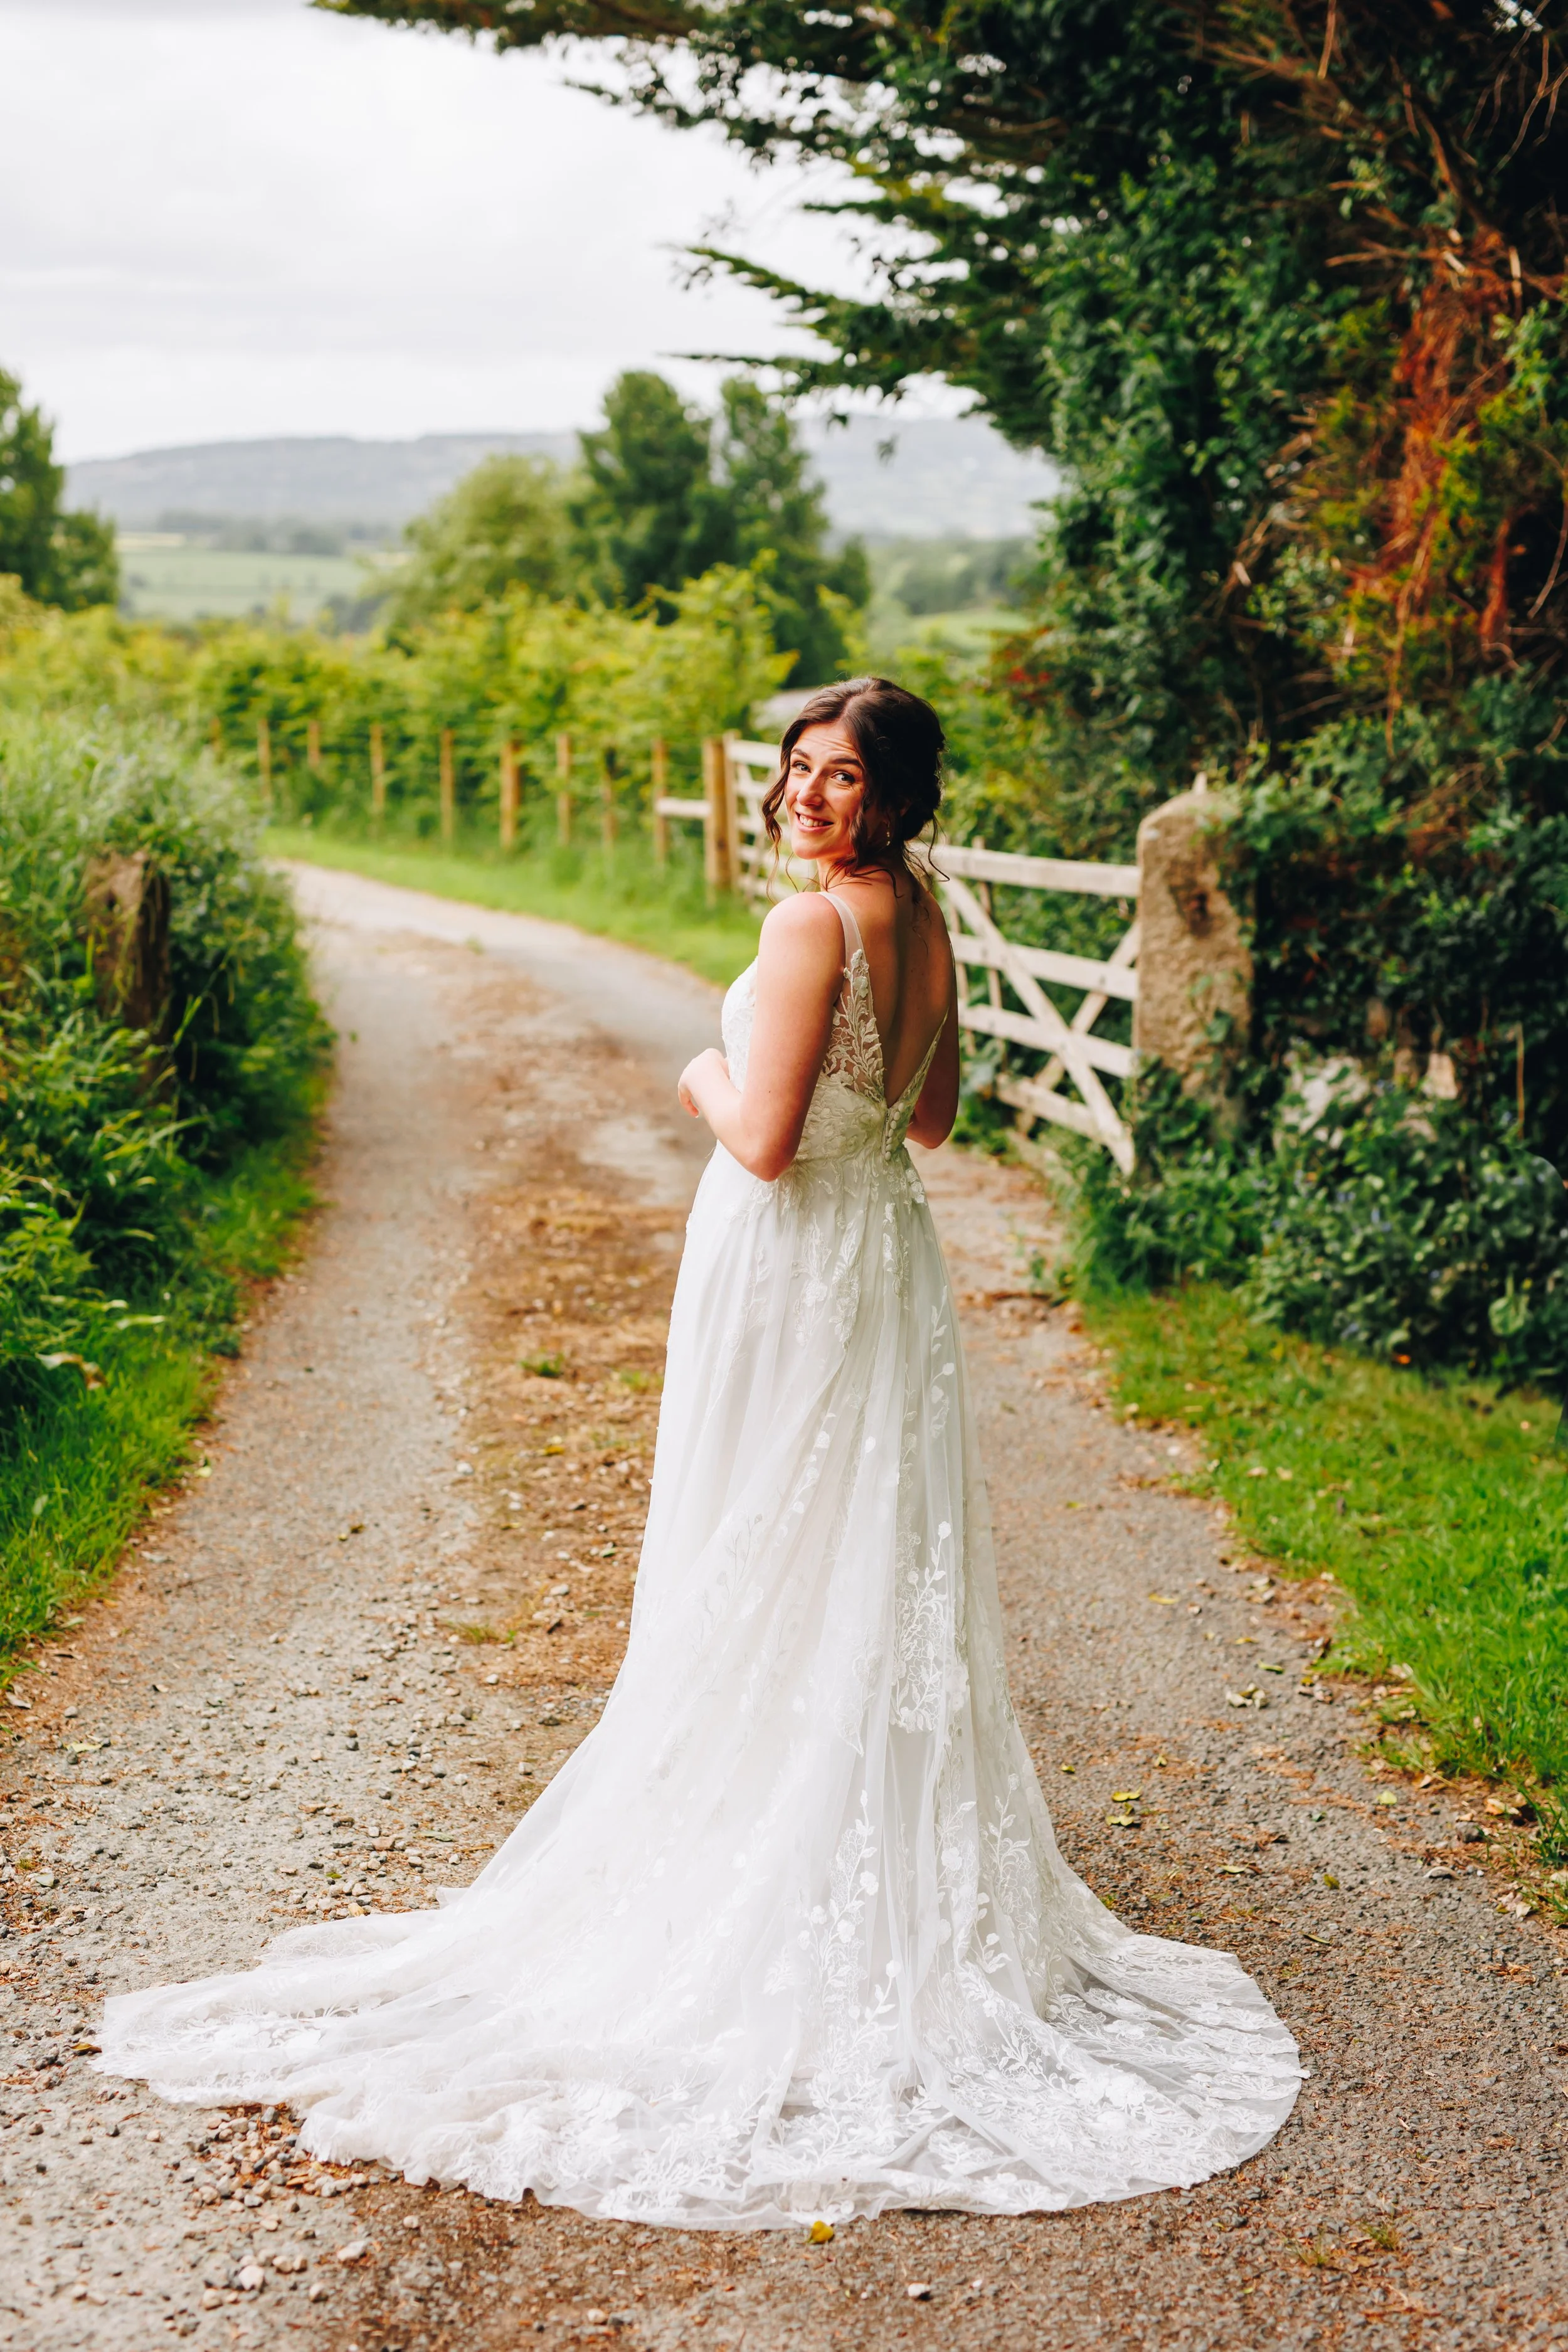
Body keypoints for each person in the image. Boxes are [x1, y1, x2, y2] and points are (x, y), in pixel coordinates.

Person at [97, 677, 1300, 2228]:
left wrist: (692, 1069)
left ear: (894, 791)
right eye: (798, 769)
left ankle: (755, 1861)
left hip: (791, 1262)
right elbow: (930, 1125)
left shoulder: (812, 932)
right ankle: (844, 1845)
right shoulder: (920, 913)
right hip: (884, 1266)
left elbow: (763, 1139)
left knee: (764, 1551)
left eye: (841, 774)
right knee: (849, 1555)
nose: (807, 794)